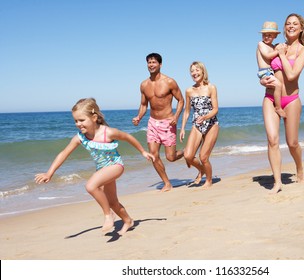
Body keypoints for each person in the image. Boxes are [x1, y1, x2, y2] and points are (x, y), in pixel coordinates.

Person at [35, 98, 155, 235]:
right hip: (102, 170)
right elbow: (64, 153)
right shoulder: (80, 137)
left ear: (94, 117)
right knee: (112, 202)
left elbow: (128, 137)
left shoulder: (108, 132)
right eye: (75, 121)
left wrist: (143, 151)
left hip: (115, 165)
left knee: (91, 186)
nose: (78, 124)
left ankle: (108, 215)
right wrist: (49, 173)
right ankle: (128, 220)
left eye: (81, 120)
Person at [260, 13, 304, 193]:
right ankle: (277, 182)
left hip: (291, 99)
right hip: (270, 97)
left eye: (295, 24)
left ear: (301, 28)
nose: (291, 26)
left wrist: (282, 54)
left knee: (292, 143)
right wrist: (262, 81)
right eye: (288, 24)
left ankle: (299, 168)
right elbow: (263, 69)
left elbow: (291, 75)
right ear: (284, 28)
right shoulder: (275, 46)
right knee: (272, 139)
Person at [132, 53, 184, 192]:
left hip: (168, 122)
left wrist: (176, 117)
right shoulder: (144, 85)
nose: (151, 65)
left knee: (171, 157)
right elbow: (143, 105)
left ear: (160, 64)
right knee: (153, 156)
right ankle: (167, 183)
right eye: (149, 62)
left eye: (154, 62)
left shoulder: (169, 82)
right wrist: (139, 117)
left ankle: (185, 152)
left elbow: (181, 100)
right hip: (152, 123)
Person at [180, 61, 219, 188]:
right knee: (188, 155)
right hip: (197, 124)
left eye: (197, 70)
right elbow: (187, 111)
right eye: (192, 71)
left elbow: (215, 109)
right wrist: (182, 128)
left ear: (203, 71)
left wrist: (206, 117)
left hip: (211, 124)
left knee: (203, 156)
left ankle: (208, 181)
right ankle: (202, 170)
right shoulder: (189, 91)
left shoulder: (211, 87)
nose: (194, 73)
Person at [256, 21, 286, 118]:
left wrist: (279, 48)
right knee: (278, 85)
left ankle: (276, 104)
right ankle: (278, 107)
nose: (266, 37)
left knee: (276, 86)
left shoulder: (272, 46)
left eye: (269, 35)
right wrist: (278, 51)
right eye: (264, 35)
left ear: (275, 36)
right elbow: (268, 55)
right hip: (264, 71)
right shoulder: (261, 44)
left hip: (270, 71)